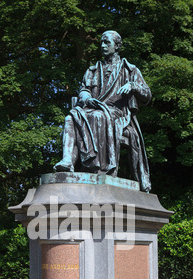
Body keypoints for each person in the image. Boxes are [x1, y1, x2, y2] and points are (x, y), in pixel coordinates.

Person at [54, 30, 152, 192]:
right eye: (101, 42)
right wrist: (86, 99)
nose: (103, 46)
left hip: (118, 113)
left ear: (117, 45)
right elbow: (84, 90)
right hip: (94, 108)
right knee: (71, 117)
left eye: (107, 42)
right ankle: (67, 161)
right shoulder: (93, 70)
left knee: (98, 116)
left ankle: (101, 168)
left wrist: (133, 86)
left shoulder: (130, 70)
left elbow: (147, 94)